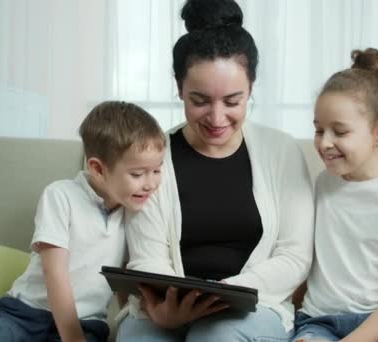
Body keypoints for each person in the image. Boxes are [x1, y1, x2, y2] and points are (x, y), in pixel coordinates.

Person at [116, 0, 315, 341]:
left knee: (214, 338)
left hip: (252, 307)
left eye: (233, 101)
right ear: (179, 88)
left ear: (251, 88)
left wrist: (223, 292)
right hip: (165, 306)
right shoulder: (150, 158)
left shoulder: (282, 152)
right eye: (200, 101)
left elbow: (294, 256)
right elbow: (146, 256)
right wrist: (165, 308)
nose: (218, 118)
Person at [0, 101, 166, 342]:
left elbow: (125, 278)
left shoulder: (135, 212)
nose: (150, 184)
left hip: (88, 321)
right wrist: (73, 339)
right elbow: (54, 271)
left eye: (157, 170)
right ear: (98, 168)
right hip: (27, 312)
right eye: (137, 174)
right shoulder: (60, 195)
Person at [291, 48, 378, 342]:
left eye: (339, 132)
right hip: (321, 320)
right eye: (319, 130)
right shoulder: (322, 185)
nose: (325, 143)